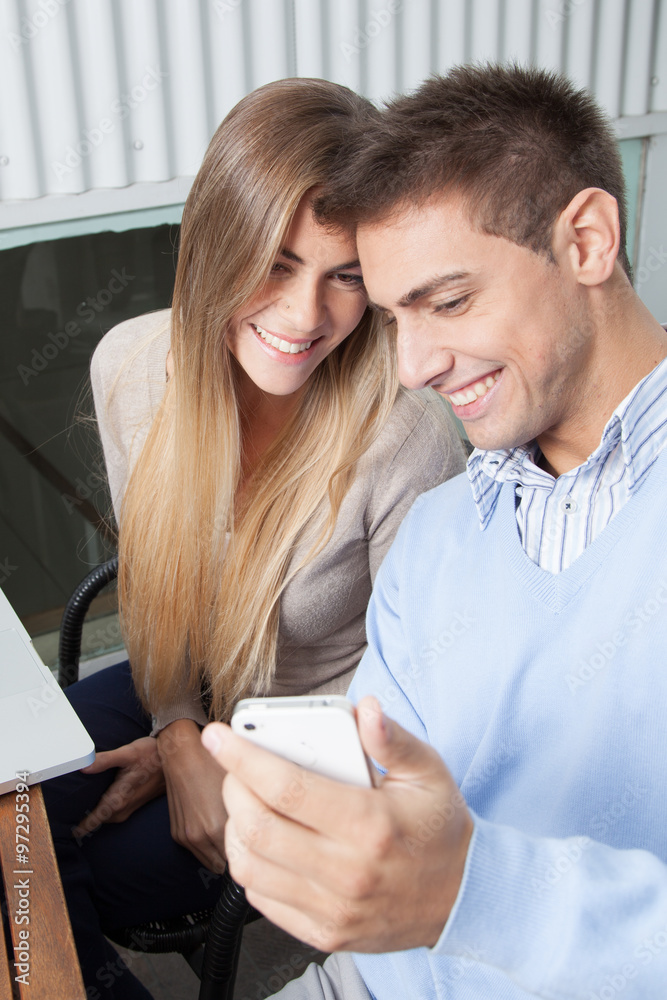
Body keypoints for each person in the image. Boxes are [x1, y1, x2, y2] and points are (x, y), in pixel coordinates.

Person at [202, 64, 667, 999]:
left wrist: (471, 892)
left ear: (585, 240)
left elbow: (450, 885)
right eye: (391, 317)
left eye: (447, 302)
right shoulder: (438, 534)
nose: (411, 365)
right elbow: (382, 810)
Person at [43, 78, 465, 1000]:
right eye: (274, 262)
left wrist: (228, 752)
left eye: (345, 274)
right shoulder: (128, 367)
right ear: (213, 243)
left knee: (98, 880)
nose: (307, 315)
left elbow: (415, 703)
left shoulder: (409, 434)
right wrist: (180, 736)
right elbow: (156, 591)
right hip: (186, 689)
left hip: (327, 737)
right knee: (13, 817)